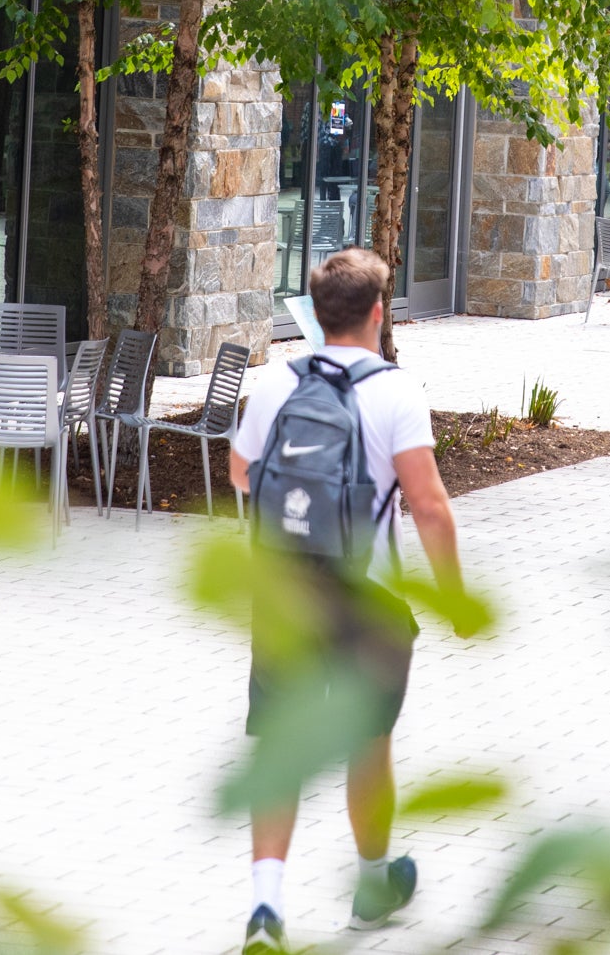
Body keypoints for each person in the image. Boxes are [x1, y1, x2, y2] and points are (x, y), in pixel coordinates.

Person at [229, 248, 475, 948]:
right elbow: (428, 505)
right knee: (369, 744)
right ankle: (372, 883)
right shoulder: (396, 391)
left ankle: (267, 908)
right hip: (368, 600)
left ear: (314, 311)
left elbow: (242, 471)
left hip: (284, 590)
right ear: (377, 311)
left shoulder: (275, 380)